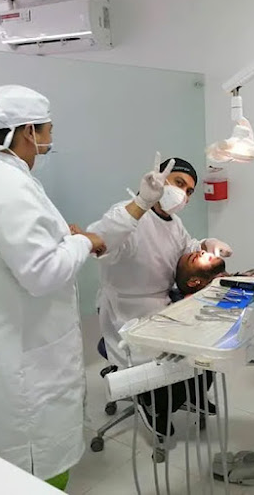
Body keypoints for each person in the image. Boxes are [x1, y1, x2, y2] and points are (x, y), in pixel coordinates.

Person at [0, 85, 108, 491]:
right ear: (27, 132)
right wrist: (82, 242)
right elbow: (43, 273)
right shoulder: (8, 187)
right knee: (35, 464)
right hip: (21, 359)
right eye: (47, 129)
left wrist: (64, 239)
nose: (50, 139)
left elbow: (22, 249)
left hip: (2, 343)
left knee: (5, 464)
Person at [87, 155, 233, 367]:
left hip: (163, 305)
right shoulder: (128, 214)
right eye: (179, 183)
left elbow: (184, 248)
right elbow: (101, 241)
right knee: (163, 366)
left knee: (198, 352)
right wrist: (141, 203)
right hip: (127, 312)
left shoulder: (174, 223)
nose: (183, 194)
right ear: (160, 179)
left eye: (189, 191)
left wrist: (205, 245)